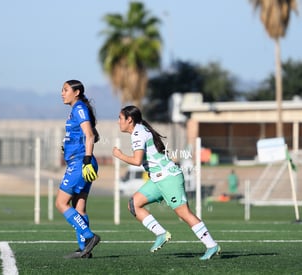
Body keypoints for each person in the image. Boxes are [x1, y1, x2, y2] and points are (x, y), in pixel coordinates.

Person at [112, 105, 221, 260]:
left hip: (168, 178)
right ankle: (161, 233)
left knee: (184, 214)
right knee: (133, 204)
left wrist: (119, 155)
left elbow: (136, 161)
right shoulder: (139, 130)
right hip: (158, 179)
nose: (118, 122)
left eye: (120, 118)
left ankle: (211, 245)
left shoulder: (138, 133)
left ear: (129, 120)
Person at [55, 80, 101, 259]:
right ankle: (84, 249)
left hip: (81, 163)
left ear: (77, 92)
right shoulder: (76, 110)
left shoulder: (79, 108)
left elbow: (90, 136)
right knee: (79, 207)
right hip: (80, 161)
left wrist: (87, 160)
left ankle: (89, 237)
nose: (62, 93)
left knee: (61, 203)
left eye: (65, 90)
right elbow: (83, 135)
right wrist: (67, 146)